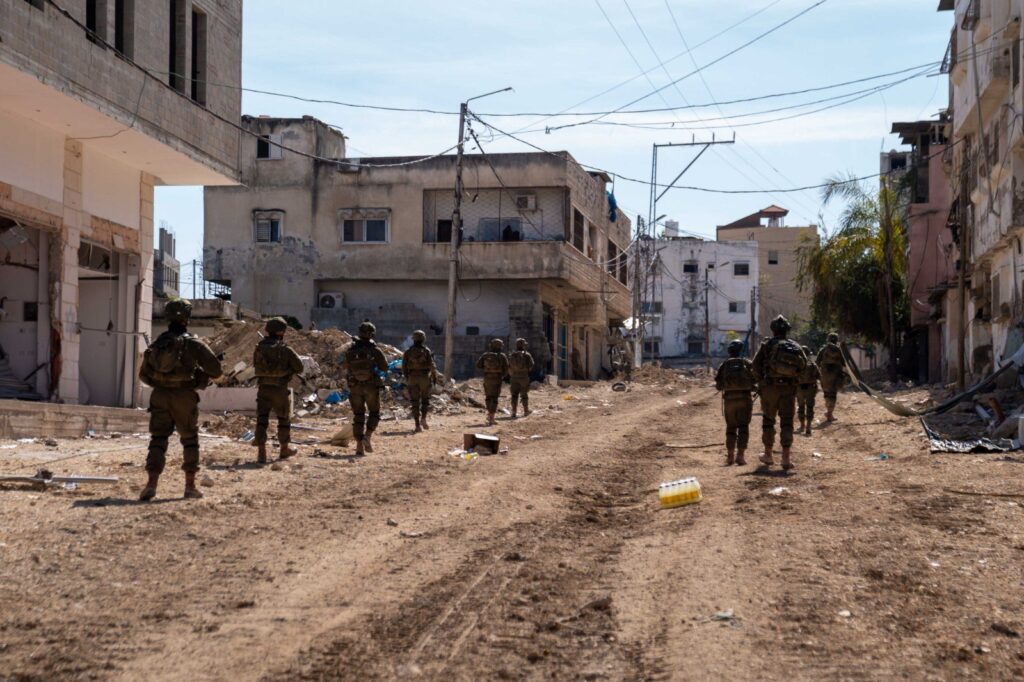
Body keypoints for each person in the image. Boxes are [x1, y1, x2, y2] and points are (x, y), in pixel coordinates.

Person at [138, 298, 223, 501]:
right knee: (189, 440)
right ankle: (190, 486)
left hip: (159, 396)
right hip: (184, 397)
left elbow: (143, 375)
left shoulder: (158, 343)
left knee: (158, 439)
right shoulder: (193, 344)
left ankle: (151, 484)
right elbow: (216, 370)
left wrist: (162, 383)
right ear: (187, 317)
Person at [751, 315, 807, 471]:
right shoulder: (795, 346)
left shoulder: (766, 345)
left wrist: (760, 382)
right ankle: (785, 458)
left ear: (773, 329)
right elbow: (804, 368)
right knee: (787, 422)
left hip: (770, 389)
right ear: (787, 330)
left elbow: (755, 367)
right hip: (789, 390)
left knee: (769, 421)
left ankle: (768, 455)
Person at [253, 317, 304, 463]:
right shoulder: (285, 349)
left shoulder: (259, 347)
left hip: (263, 388)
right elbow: (299, 367)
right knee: (283, 419)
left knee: (262, 419)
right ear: (281, 332)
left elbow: (255, 365)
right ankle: (283, 450)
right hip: (280, 389)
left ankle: (261, 452)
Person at [343, 322, 389, 456]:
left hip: (355, 386)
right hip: (371, 386)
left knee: (358, 415)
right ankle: (367, 437)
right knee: (374, 412)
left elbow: (345, 366)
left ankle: (359, 446)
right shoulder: (375, 350)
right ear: (372, 334)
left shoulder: (351, 349)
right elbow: (385, 367)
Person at [714, 339, 757, 466]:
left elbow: (718, 385)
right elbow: (755, 380)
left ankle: (730, 457)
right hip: (745, 399)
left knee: (731, 427)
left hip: (729, 400)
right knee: (744, 426)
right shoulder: (747, 363)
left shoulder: (725, 364)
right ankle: (741, 456)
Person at [402, 329, 438, 433]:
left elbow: (404, 368)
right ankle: (423, 419)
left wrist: (408, 377)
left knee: (414, 402)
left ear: (413, 339)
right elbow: (432, 366)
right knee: (425, 400)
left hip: (412, 378)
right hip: (424, 378)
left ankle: (417, 425)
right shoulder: (426, 351)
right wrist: (434, 377)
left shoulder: (408, 352)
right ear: (423, 339)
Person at [476, 338, 510, 426]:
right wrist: (501, 375)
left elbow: (478, 365)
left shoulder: (485, 355)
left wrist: (487, 369)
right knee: (495, 398)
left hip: (487, 378)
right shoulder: (502, 356)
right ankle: (492, 418)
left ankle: (489, 414)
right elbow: (506, 369)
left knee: (488, 397)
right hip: (497, 378)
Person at [817, 332, 845, 422]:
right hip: (835, 374)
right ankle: (830, 413)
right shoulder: (839, 350)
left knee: (826, 392)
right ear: (836, 340)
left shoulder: (824, 349)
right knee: (833, 394)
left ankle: (828, 411)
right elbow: (844, 363)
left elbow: (817, 361)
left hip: (825, 374)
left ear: (828, 339)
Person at [796, 345, 821, 436]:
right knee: (810, 407)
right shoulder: (813, 364)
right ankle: (808, 426)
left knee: (801, 407)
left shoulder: (797, 364)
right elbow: (819, 376)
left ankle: (802, 425)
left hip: (800, 389)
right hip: (811, 388)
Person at [508, 338, 535, 418]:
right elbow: (531, 366)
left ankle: (513, 412)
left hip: (514, 377)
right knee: (524, 394)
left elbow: (508, 366)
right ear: (523, 345)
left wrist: (512, 374)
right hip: (523, 377)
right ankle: (526, 411)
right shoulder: (527, 355)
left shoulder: (512, 354)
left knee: (514, 395)